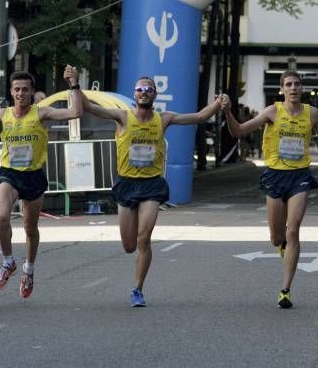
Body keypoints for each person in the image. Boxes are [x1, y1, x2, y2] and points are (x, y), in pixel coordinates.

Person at [221, 71, 318, 309]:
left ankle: (285, 290)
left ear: (302, 88)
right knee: (277, 237)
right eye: (288, 84)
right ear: (282, 89)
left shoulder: (312, 113)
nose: (293, 88)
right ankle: (283, 249)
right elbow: (238, 132)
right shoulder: (272, 111)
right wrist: (226, 111)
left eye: (297, 84)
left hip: (300, 176)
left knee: (293, 229)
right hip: (275, 176)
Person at [77, 77, 222, 307]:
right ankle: (136, 272)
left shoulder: (163, 119)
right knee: (128, 245)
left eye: (148, 89)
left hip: (152, 184)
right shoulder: (123, 116)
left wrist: (218, 103)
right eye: (140, 89)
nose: (144, 92)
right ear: (134, 94)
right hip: (126, 183)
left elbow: (200, 117)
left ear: (154, 95)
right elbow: (88, 106)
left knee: (144, 238)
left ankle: (138, 289)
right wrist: (75, 85)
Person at [0, 67, 82, 299]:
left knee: (30, 228)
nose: (20, 93)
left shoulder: (42, 113)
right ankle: (8, 261)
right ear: (11, 91)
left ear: (31, 92)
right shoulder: (3, 114)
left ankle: (28, 269)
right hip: (9, 172)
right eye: (17, 89)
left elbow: (76, 112)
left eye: (25, 90)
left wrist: (74, 85)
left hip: (33, 175)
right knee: (1, 217)